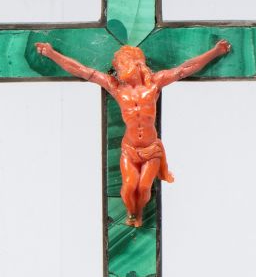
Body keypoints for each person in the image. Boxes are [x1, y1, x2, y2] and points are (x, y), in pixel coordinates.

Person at [36, 39, 231, 226]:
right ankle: (132, 213)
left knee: (144, 187)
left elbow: (184, 69)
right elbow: (82, 71)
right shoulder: (116, 88)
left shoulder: (155, 84)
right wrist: (52, 54)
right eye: (117, 66)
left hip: (151, 150)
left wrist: (215, 52)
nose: (118, 69)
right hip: (129, 149)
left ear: (136, 63)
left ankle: (139, 212)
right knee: (129, 186)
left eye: (121, 64)